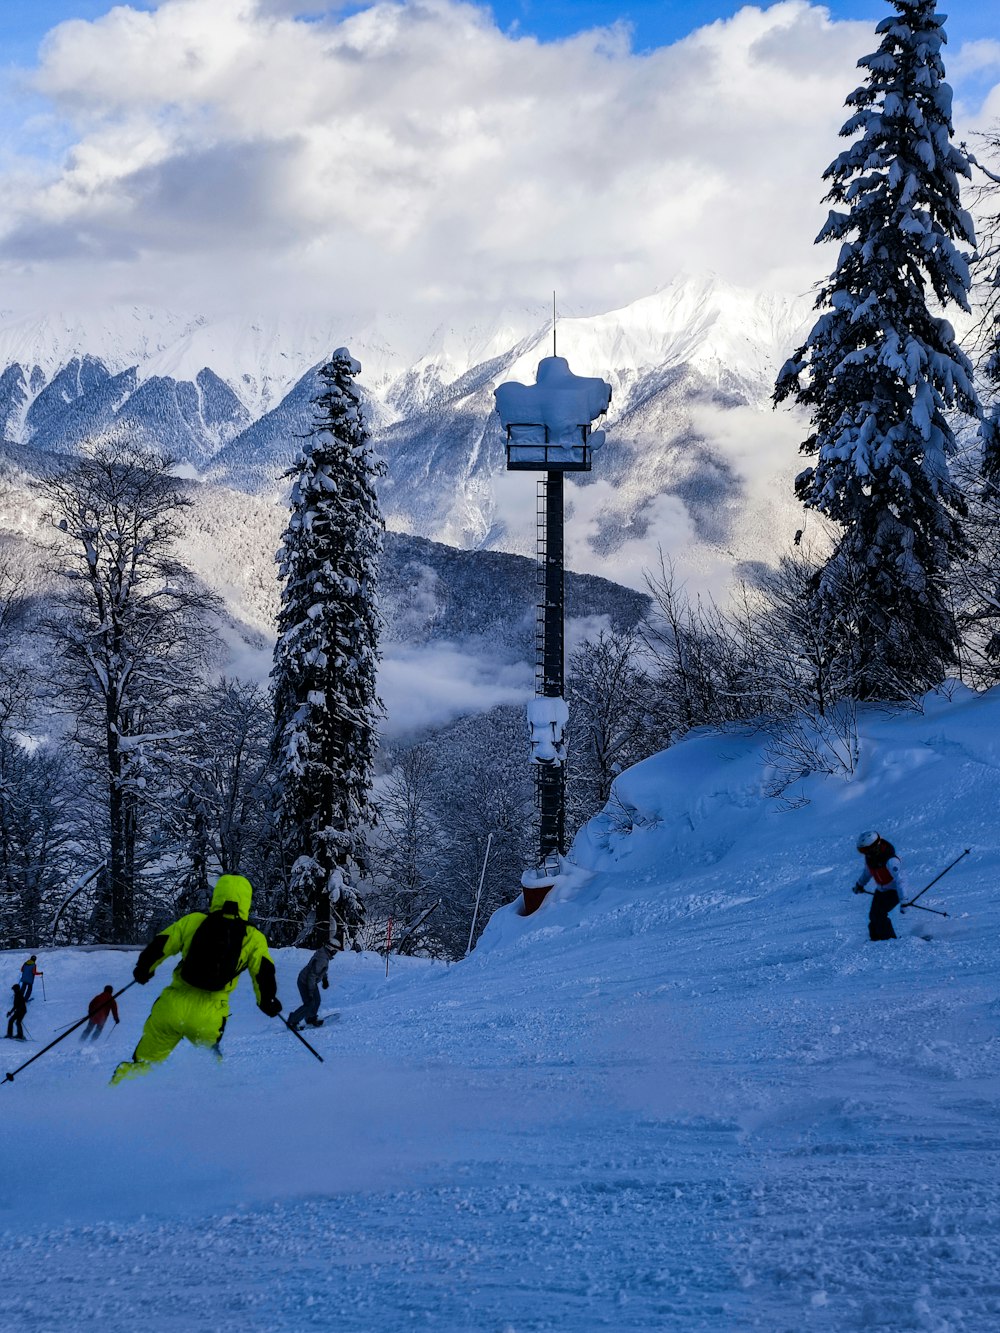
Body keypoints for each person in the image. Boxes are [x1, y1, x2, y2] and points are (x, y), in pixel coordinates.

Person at [111, 873, 282, 1085]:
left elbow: (162, 943)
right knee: (211, 1072)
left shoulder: (194, 922)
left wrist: (144, 968)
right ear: (246, 902)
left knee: (145, 1064)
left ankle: (116, 1094)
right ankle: (209, 1107)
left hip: (171, 1008)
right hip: (208, 1017)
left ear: (217, 896)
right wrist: (267, 1001)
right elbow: (263, 971)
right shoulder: (253, 938)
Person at [852, 830, 910, 940]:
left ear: (874, 846)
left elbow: (901, 880)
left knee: (880, 914)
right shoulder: (871, 858)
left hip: (894, 891)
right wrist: (860, 885)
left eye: (865, 849)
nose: (865, 853)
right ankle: (875, 941)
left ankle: (889, 941)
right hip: (880, 890)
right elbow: (867, 872)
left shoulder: (890, 860)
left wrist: (904, 901)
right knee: (873, 916)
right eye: (862, 850)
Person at [287, 938, 341, 1031]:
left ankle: (310, 1018)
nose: (336, 953)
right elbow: (311, 976)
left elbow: (320, 970)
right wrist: (311, 992)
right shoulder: (322, 958)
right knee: (309, 1003)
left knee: (317, 1000)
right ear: (331, 949)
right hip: (305, 982)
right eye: (335, 951)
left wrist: (324, 979)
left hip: (311, 981)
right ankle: (292, 1021)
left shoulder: (324, 954)